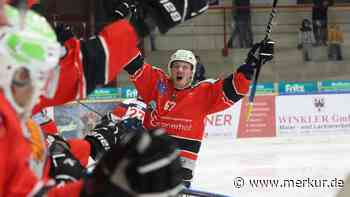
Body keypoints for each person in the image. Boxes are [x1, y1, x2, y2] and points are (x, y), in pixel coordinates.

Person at [123, 40, 274, 187]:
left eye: (185, 67)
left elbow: (234, 88)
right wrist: (118, 28)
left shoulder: (203, 93)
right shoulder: (156, 83)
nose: (180, 70)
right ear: (170, 69)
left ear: (192, 72)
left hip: (180, 167)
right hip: (149, 161)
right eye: (176, 66)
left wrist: (252, 63)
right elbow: (132, 62)